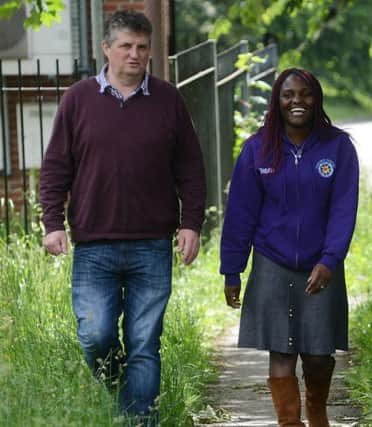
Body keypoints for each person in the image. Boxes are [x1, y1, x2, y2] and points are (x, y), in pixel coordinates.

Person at [39, 10, 206, 425]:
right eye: (126, 46)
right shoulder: (78, 99)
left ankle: (138, 421)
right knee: (94, 337)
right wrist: (53, 223)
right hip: (94, 245)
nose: (135, 54)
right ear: (106, 49)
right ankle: (127, 394)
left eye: (143, 47)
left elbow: (191, 169)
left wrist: (191, 224)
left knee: (144, 343)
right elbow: (56, 166)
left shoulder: (168, 100)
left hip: (152, 244)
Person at [220, 68, 359, 427]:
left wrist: (330, 260)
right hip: (272, 262)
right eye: (288, 95)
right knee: (281, 350)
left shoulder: (338, 147)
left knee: (317, 355)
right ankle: (289, 423)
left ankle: (317, 410)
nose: (297, 101)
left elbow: (344, 210)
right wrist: (232, 269)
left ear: (317, 99)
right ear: (277, 102)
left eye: (305, 94)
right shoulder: (256, 150)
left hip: (321, 265)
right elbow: (240, 214)